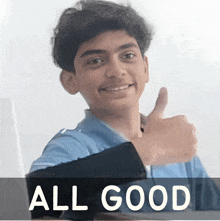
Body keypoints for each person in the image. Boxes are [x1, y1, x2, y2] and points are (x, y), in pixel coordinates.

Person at [26, 0, 220, 220]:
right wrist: (147, 150)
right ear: (70, 80)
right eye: (95, 60)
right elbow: (27, 197)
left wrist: (159, 145)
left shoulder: (175, 145)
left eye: (127, 56)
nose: (116, 71)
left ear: (145, 67)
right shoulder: (73, 146)